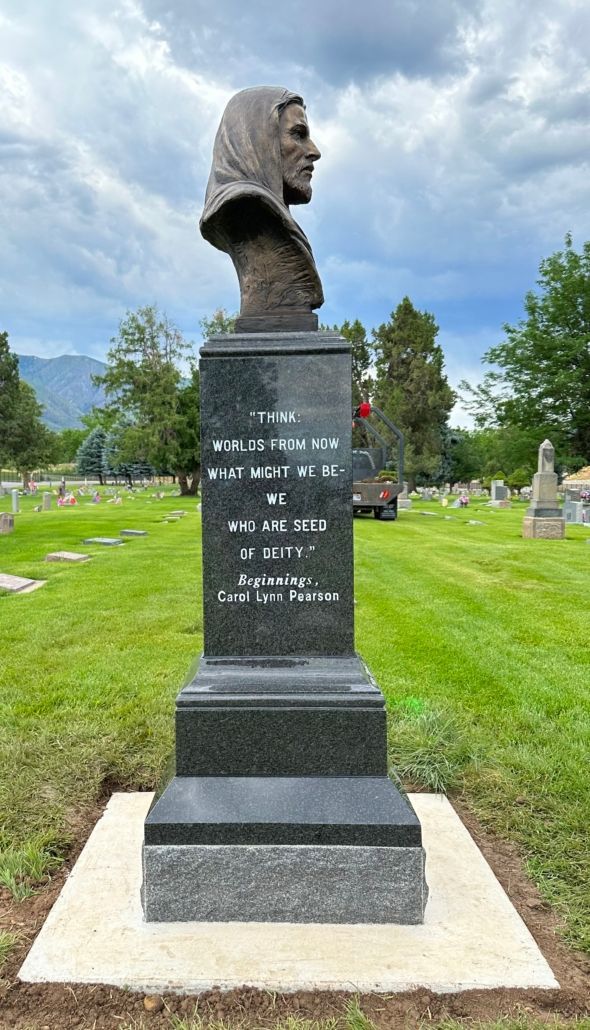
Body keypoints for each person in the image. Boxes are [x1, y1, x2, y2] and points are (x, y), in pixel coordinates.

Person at [200, 86, 323, 331]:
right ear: (256, 143)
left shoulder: (269, 216)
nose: (314, 151)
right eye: (298, 134)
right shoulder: (241, 207)